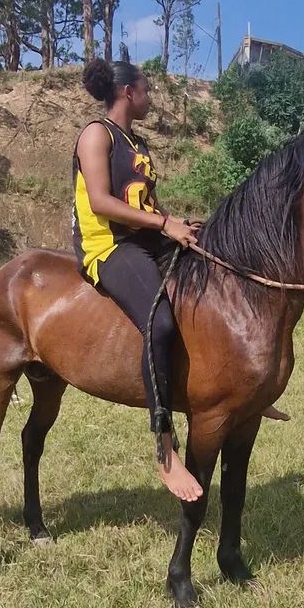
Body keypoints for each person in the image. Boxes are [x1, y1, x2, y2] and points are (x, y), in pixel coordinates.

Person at [72, 57, 204, 502]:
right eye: (147, 89)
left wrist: (177, 224)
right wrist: (165, 224)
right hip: (109, 246)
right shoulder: (97, 134)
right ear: (129, 91)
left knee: (209, 267)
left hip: (145, 241)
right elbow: (102, 202)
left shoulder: (138, 142)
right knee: (162, 323)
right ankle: (165, 447)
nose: (150, 97)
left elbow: (145, 203)